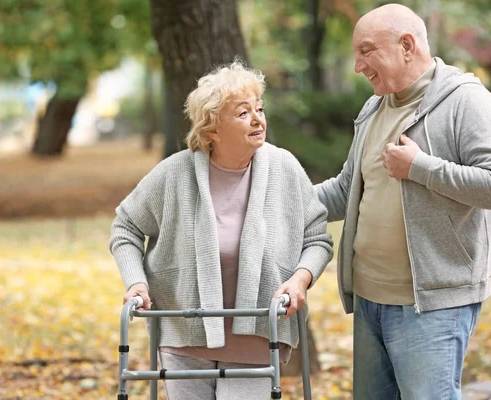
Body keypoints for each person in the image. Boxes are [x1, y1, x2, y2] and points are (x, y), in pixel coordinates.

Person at [314, 4, 491, 399]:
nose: (357, 65)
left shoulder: (467, 101)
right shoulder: (374, 107)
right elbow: (346, 190)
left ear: (406, 45)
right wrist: (278, 201)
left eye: (366, 50)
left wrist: (421, 167)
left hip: (432, 305)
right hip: (370, 299)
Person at [109, 60, 333, 400]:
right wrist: (136, 282)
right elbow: (125, 227)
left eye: (259, 109)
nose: (258, 119)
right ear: (212, 128)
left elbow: (317, 238)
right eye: (243, 113)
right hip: (184, 335)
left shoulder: (284, 168)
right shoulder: (175, 173)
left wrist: (300, 279)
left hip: (258, 334)